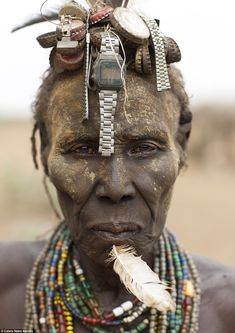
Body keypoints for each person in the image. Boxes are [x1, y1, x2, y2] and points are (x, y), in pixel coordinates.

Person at [0, 1, 235, 332]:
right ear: (43, 150)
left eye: (144, 148)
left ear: (181, 146)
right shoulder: (5, 289)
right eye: (82, 149)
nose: (114, 186)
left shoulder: (226, 310)